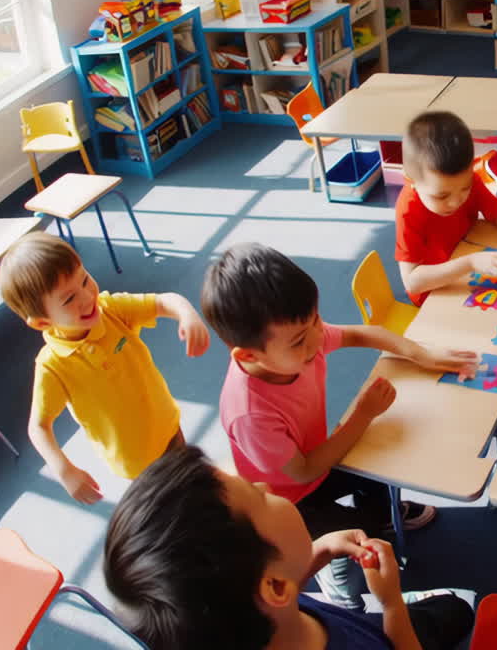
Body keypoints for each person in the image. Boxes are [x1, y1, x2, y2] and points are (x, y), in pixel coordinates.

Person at [202, 242, 477, 609]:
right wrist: (362, 415)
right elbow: (303, 472)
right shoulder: (250, 413)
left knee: (383, 461)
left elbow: (359, 334)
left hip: (317, 457)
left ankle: (383, 515)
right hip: (288, 498)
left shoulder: (299, 340)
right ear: (250, 356)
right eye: (301, 339)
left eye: (316, 319)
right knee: (350, 540)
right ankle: (342, 594)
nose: (318, 338)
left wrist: (420, 353)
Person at [103, 445, 475, 650]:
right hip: (387, 636)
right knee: (457, 612)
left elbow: (281, 590)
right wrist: (392, 604)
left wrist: (320, 551)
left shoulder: (250, 616)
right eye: (257, 498)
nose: (265, 486)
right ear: (275, 586)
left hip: (349, 625)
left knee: (448, 612)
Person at [0, 232, 209, 503]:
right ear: (42, 323)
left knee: (197, 483)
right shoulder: (53, 367)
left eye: (85, 280)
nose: (87, 296)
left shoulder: (110, 310)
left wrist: (187, 314)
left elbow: (162, 301)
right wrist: (64, 469)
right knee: (174, 505)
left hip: (168, 424)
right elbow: (38, 427)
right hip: (136, 461)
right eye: (69, 299)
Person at [394, 110, 497, 306]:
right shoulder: (408, 210)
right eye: (441, 196)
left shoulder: (466, 181)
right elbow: (412, 283)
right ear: (411, 180)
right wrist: (471, 263)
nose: (455, 201)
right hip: (436, 292)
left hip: (467, 262)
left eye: (465, 188)